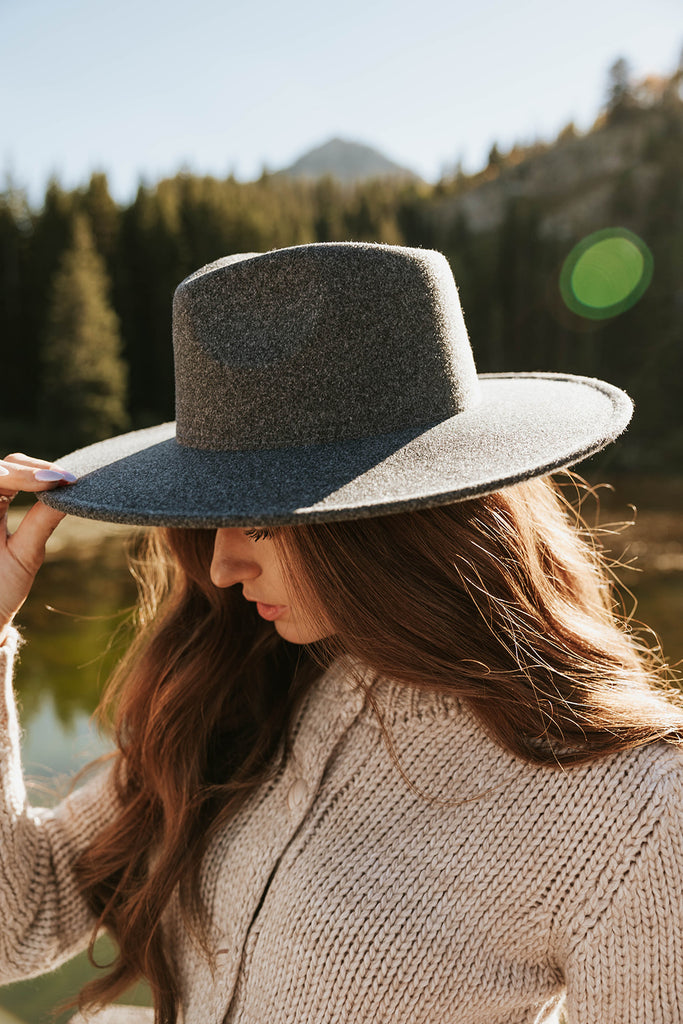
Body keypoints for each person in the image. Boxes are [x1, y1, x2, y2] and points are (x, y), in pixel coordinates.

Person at [0, 242, 681, 1024]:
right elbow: (18, 925)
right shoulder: (244, 684)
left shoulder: (636, 813)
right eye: (209, 513)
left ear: (396, 522)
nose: (220, 567)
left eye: (260, 519)